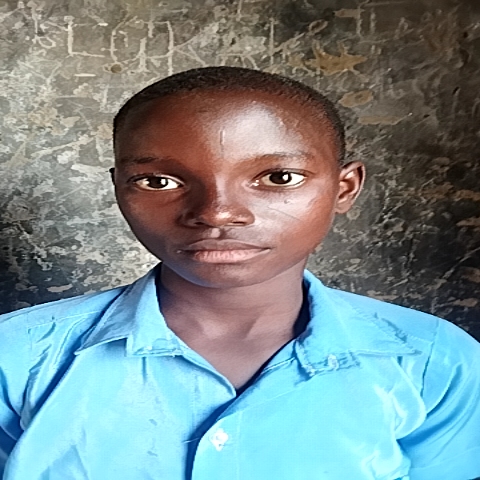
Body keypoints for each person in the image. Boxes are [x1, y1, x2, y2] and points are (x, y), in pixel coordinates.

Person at [0, 66, 479, 480]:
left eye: (278, 177)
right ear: (120, 189)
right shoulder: (17, 357)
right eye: (158, 181)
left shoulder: (432, 361)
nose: (217, 212)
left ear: (344, 188)